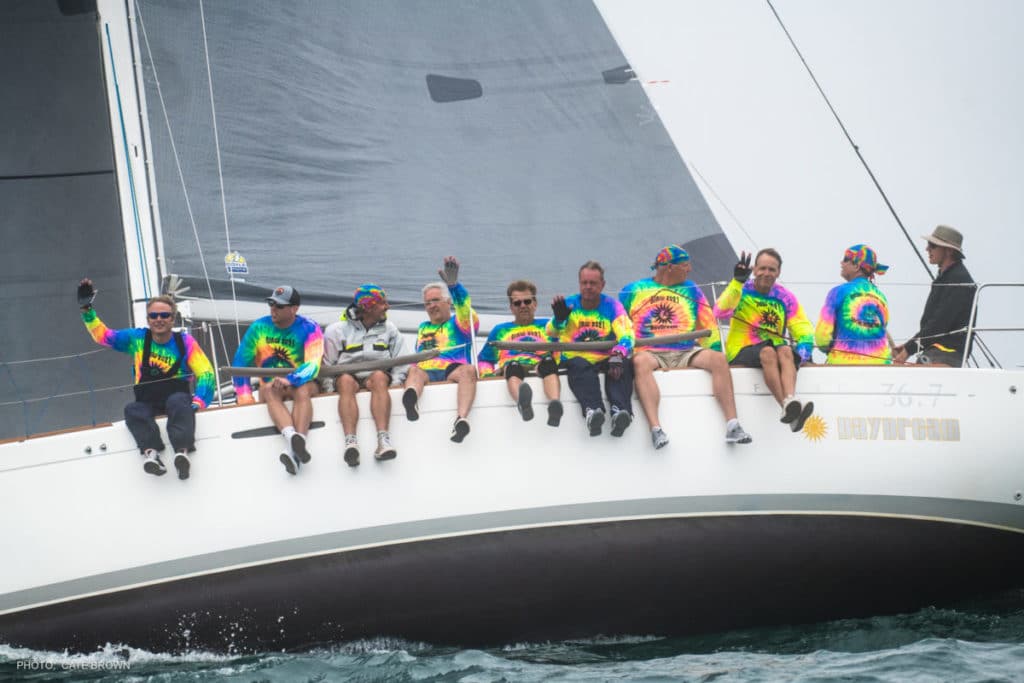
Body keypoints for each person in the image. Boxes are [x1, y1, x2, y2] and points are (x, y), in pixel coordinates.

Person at [77, 278, 215, 479]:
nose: (159, 319)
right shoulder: (137, 338)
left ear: (173, 319)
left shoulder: (185, 341)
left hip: (176, 399)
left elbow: (206, 373)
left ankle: (181, 453)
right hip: (147, 401)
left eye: (165, 315)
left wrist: (199, 402)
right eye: (154, 315)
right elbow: (103, 336)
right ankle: (152, 454)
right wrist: (86, 308)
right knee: (132, 410)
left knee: (178, 402)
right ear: (148, 319)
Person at [622, 245, 752, 448]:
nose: (690, 269)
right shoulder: (634, 290)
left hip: (686, 351)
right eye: (685, 265)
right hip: (650, 352)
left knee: (718, 360)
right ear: (670, 267)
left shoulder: (691, 289)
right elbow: (618, 321)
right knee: (639, 362)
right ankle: (656, 430)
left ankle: (733, 425)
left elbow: (707, 323)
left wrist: (716, 349)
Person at [714, 248, 815, 433]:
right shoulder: (742, 290)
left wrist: (804, 351)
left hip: (776, 350)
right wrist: (737, 282)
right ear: (754, 269)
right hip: (742, 349)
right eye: (762, 268)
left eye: (772, 270)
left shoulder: (785, 296)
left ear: (779, 272)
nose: (766, 273)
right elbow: (720, 312)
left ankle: (791, 401)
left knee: (785, 350)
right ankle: (785, 404)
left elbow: (802, 327)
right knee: (768, 352)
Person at [233, 285, 323, 475]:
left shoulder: (310, 327)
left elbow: (313, 364)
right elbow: (240, 364)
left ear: (294, 309)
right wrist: (245, 399)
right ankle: (293, 440)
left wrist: (291, 379)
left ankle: (293, 447)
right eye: (271, 304)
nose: (273, 309)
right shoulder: (259, 327)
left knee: (302, 389)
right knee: (267, 388)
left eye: (279, 306)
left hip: (301, 383)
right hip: (271, 387)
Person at [547, 260, 634, 437]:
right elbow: (551, 333)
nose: (588, 287)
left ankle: (620, 413)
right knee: (579, 364)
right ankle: (593, 412)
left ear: (602, 285)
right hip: (576, 359)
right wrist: (558, 320)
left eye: (593, 283)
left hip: (605, 358)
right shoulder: (570, 304)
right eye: (584, 283)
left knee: (622, 363)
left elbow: (627, 334)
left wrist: (619, 353)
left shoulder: (612, 306)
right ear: (579, 283)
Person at [322, 284, 406, 466]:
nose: (387, 307)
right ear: (368, 308)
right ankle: (350, 442)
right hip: (346, 378)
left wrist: (397, 384)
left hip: (375, 378)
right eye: (382, 303)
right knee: (344, 381)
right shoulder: (335, 330)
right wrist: (328, 391)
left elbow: (402, 359)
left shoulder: (390, 329)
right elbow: (327, 365)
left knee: (379, 377)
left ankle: (383, 441)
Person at [402, 257, 479, 443]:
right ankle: (411, 399)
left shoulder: (459, 322)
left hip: (452, 368)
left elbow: (466, 311)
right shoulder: (423, 327)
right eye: (427, 303)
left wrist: (454, 287)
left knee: (469, 371)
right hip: (425, 370)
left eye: (436, 300)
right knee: (412, 370)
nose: (431, 306)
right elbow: (416, 356)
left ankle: (461, 420)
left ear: (448, 302)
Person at [477, 280, 563, 425]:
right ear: (511, 308)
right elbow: (484, 359)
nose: (523, 306)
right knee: (513, 367)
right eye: (517, 303)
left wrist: (561, 319)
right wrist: (488, 376)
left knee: (549, 363)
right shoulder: (500, 330)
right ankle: (523, 404)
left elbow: (561, 342)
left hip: (541, 363)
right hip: (513, 365)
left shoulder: (548, 325)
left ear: (535, 304)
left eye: (527, 301)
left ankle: (554, 405)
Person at [893, 225, 976, 367]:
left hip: (946, 354)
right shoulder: (947, 277)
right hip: (937, 352)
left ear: (949, 251)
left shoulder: (958, 279)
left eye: (932, 245)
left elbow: (939, 323)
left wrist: (909, 349)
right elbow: (936, 324)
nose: (927, 249)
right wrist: (910, 345)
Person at [815, 245, 892, 365]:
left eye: (846, 259)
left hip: (843, 365)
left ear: (856, 266)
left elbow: (822, 338)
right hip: (881, 366)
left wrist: (828, 348)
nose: (841, 263)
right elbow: (884, 324)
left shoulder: (837, 292)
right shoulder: (882, 297)